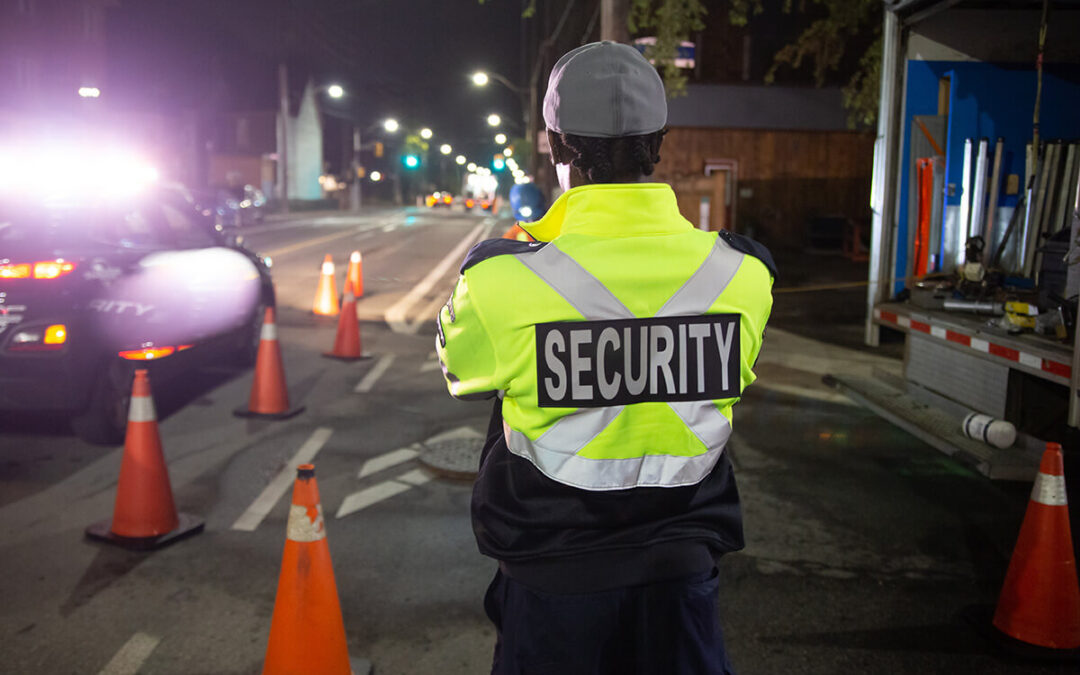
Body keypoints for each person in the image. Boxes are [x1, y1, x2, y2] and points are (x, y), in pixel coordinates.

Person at [436, 41, 775, 675]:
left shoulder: (500, 279)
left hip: (554, 580)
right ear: (659, 143)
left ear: (557, 145)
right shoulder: (745, 273)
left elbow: (462, 372)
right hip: (683, 573)